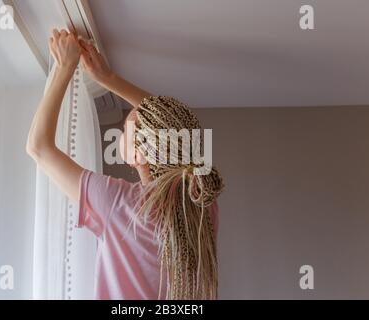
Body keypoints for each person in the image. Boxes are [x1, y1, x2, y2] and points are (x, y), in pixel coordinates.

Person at [26, 29, 224, 299]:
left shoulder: (119, 203)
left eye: (127, 126)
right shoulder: (201, 203)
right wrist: (107, 79)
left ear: (137, 156)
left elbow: (38, 148)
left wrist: (64, 67)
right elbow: (171, 124)